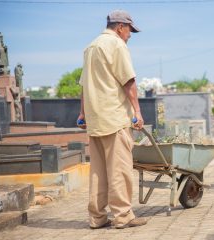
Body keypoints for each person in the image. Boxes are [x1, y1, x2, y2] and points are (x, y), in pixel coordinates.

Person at [77, 9, 147, 229]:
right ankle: (123, 216)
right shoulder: (116, 45)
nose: (130, 35)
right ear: (120, 27)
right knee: (119, 169)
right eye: (129, 30)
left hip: (96, 119)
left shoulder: (91, 47)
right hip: (115, 117)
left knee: (98, 171)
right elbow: (128, 81)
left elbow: (84, 86)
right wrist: (137, 111)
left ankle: (97, 217)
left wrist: (82, 113)